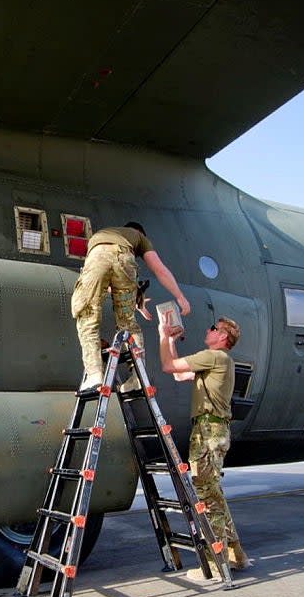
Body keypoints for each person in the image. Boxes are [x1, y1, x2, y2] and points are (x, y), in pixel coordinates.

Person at [158, 316, 250, 571]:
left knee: (206, 495)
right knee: (213, 493)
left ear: (222, 337)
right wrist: (171, 341)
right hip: (213, 429)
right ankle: (236, 553)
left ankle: (216, 562)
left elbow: (167, 366)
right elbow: (178, 375)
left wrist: (163, 335)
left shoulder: (215, 356)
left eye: (213, 328)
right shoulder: (217, 361)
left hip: (208, 431)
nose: (208, 330)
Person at [71, 222, 191, 391]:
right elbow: (159, 269)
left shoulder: (103, 234)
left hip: (96, 258)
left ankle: (94, 374)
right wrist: (180, 297)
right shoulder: (139, 237)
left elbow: (104, 277)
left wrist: (136, 300)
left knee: (87, 316)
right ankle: (138, 377)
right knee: (127, 322)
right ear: (139, 232)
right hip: (125, 262)